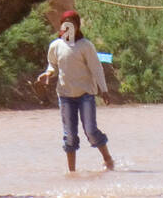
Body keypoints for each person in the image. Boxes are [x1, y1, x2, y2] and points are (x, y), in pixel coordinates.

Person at [37, 11, 114, 172]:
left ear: (78, 27)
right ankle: (72, 173)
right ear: (61, 27)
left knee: (91, 131)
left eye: (72, 25)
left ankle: (108, 160)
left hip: (86, 94)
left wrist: (104, 90)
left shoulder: (85, 45)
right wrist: (48, 74)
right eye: (66, 25)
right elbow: (53, 65)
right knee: (70, 136)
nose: (68, 29)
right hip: (65, 96)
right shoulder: (56, 46)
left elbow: (97, 68)